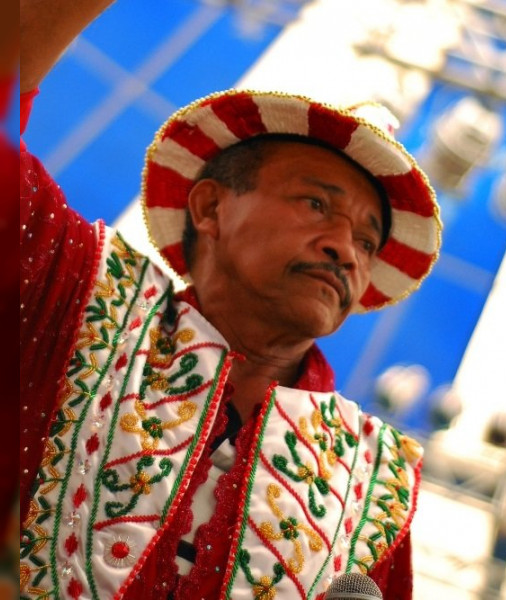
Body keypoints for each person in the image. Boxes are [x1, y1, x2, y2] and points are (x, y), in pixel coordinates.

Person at [20, 1, 442, 598]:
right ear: (211, 208)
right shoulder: (81, 297)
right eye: (316, 205)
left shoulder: (376, 480)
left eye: (368, 241)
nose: (346, 250)